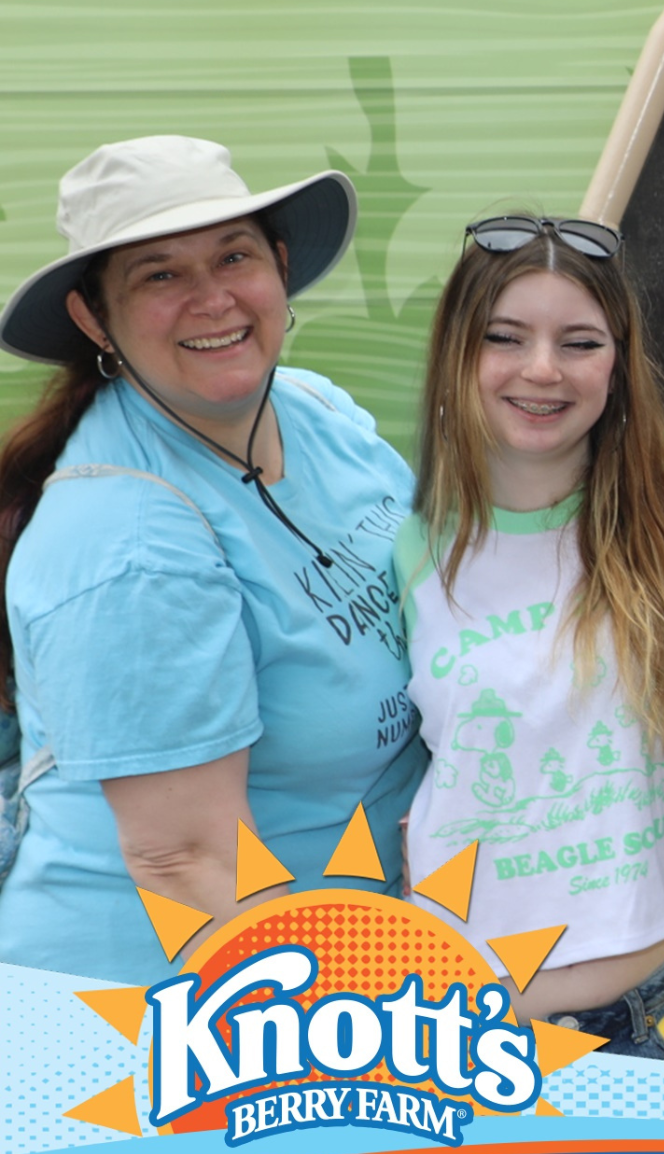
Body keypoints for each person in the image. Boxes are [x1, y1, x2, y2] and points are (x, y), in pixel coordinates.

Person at [0, 136, 425, 983]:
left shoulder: (314, 408)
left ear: (278, 264)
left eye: (233, 255)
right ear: (94, 319)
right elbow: (191, 866)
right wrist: (377, 1021)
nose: (212, 298)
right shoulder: (129, 548)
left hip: (360, 938)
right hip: (182, 1011)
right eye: (159, 275)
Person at [395, 215, 664, 1049]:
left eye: (579, 342)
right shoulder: (410, 535)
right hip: (460, 1029)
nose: (542, 371)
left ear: (618, 363)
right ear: (456, 353)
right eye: (505, 337)